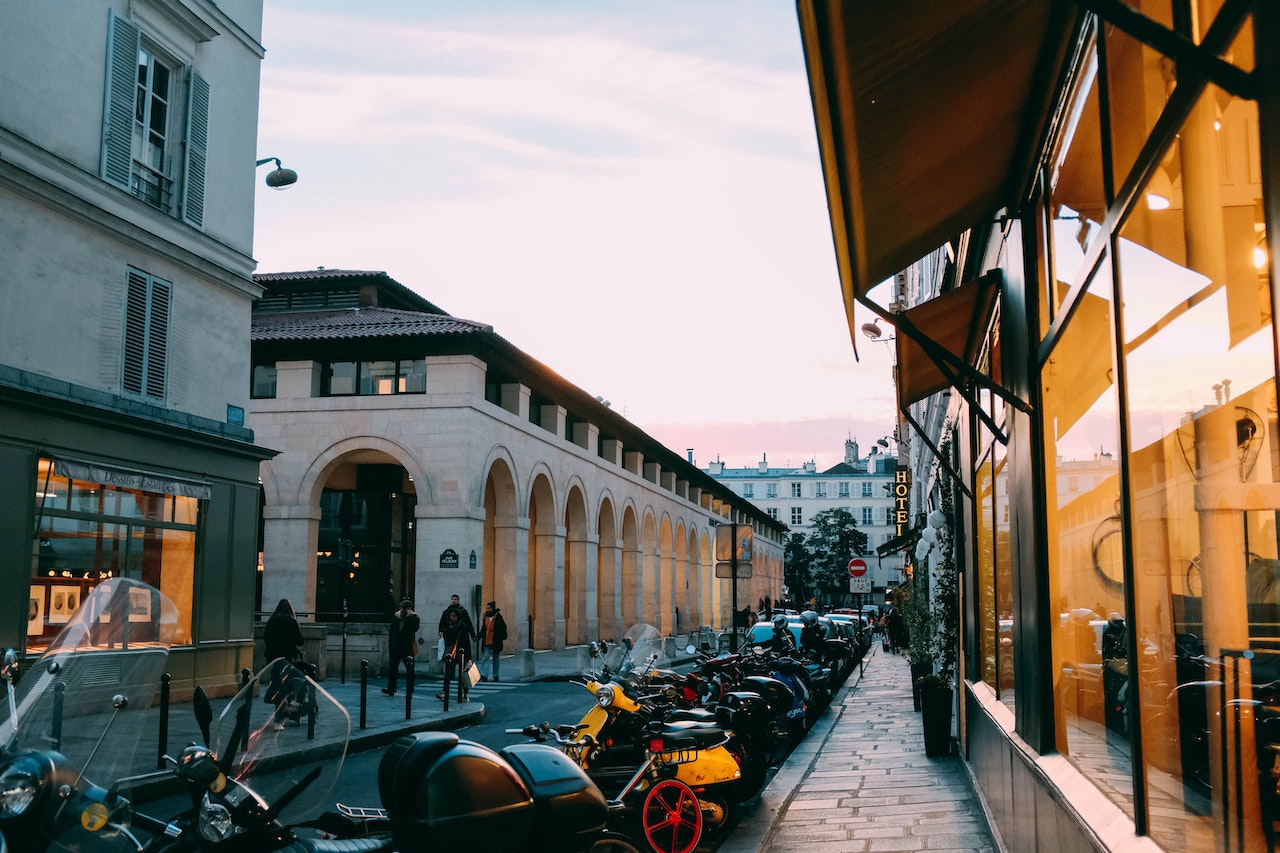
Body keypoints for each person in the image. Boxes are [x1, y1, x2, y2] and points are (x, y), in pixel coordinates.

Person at [263, 599, 304, 731]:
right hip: (286, 659)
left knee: (277, 686)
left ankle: (283, 712)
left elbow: (266, 638)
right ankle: (280, 718)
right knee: (286, 688)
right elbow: (300, 640)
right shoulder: (291, 621)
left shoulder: (272, 621)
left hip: (273, 659)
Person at [382, 599, 420, 697]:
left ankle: (410, 689)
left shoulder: (414, 617)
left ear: (409, 609)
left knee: (410, 669)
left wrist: (409, 617)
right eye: (401, 608)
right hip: (395, 647)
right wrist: (390, 645)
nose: (402, 610)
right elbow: (392, 631)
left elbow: (415, 628)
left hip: (407, 647)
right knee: (393, 668)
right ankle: (391, 689)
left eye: (405, 608)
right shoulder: (396, 617)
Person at [439, 607, 477, 703]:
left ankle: (465, 694)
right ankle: (444, 692)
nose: (452, 618)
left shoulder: (463, 627)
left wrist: (469, 659)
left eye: (454, 616)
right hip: (451, 653)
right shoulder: (447, 627)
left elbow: (467, 643)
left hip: (462, 653)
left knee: (464, 675)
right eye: (451, 616)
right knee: (448, 674)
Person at [479, 601, 508, 682]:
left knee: (496, 659)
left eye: (489, 608)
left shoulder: (498, 617)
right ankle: (484, 675)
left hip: (496, 641)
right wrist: (478, 637)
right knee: (485, 657)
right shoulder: (485, 617)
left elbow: (503, 627)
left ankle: (495, 675)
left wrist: (502, 636)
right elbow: (483, 629)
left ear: (493, 608)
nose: (488, 610)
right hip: (487, 640)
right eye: (487, 608)